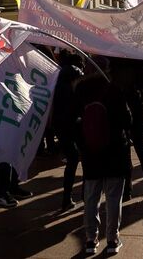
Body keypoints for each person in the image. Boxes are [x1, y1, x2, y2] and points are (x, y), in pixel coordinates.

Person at [75, 72, 131, 255]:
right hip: (115, 152)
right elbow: (127, 120)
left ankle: (91, 239)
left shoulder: (81, 89)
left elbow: (74, 121)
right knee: (114, 199)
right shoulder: (113, 89)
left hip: (91, 155)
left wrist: (83, 144)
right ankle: (113, 239)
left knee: (91, 198)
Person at [109, 58, 143, 202]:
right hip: (135, 106)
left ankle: (127, 189)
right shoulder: (138, 59)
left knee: (125, 148)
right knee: (140, 147)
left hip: (121, 106)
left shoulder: (115, 58)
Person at [53, 50, 85, 212]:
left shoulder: (59, 82)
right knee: (76, 159)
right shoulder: (71, 88)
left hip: (62, 127)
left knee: (73, 159)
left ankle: (68, 197)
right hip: (70, 127)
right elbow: (74, 110)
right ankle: (70, 197)